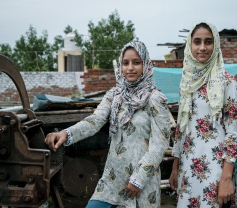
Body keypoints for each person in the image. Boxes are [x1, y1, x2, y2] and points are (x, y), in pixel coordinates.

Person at [45, 40, 173, 208]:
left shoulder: (155, 99)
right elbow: (94, 121)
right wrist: (66, 134)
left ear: (146, 65)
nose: (130, 68)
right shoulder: (115, 96)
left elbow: (160, 145)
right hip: (113, 178)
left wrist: (139, 179)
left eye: (136, 62)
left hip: (142, 183)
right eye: (125, 63)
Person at [169, 21, 237, 208]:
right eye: (197, 41)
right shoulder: (186, 82)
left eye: (208, 42)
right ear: (190, 45)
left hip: (214, 170)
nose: (202, 47)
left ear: (215, 45)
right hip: (187, 169)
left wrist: (226, 178)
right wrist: (175, 167)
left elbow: (233, 133)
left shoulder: (227, 82)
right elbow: (181, 128)